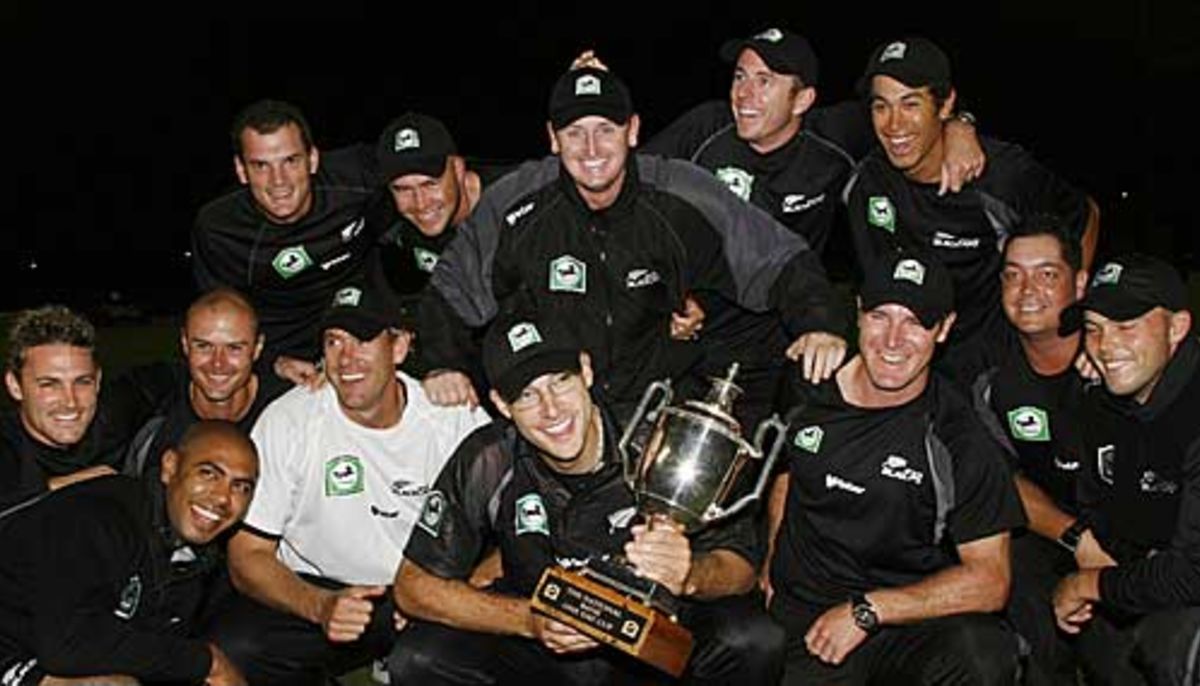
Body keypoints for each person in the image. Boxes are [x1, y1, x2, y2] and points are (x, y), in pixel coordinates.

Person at [421, 65, 849, 422]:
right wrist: (443, 366)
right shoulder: (516, 202)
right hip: (559, 409)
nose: (591, 148)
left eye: (606, 129)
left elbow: (779, 260)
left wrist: (820, 324)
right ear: (553, 138)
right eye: (574, 132)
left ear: (633, 130)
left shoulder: (681, 193)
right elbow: (450, 291)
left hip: (657, 404)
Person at [389, 307, 784, 684]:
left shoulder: (655, 440)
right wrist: (527, 620)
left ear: (586, 371)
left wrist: (691, 575)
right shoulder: (488, 458)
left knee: (752, 640)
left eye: (560, 380)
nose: (551, 409)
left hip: (653, 640)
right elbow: (412, 586)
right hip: (544, 640)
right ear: (501, 405)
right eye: (526, 395)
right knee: (420, 657)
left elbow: (741, 567)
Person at [642, 28, 986, 427]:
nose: (744, 94)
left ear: (803, 100)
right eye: (740, 77)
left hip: (782, 338)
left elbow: (917, 106)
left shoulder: (835, 139)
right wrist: (668, 292)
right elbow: (623, 189)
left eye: (764, 81)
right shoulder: (705, 129)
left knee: (768, 444)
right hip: (691, 330)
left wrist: (960, 127)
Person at [207, 279, 488, 685]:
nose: (346, 358)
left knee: (424, 660)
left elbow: (515, 522)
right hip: (327, 590)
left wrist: (450, 593)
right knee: (237, 645)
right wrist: (320, 606)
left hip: (431, 587)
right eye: (334, 342)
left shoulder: (452, 417)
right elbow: (247, 555)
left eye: (363, 340)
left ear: (399, 347)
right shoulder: (290, 420)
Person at [767, 252, 1025, 684]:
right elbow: (787, 473)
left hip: (902, 622)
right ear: (858, 313)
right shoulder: (809, 383)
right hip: (803, 621)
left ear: (944, 329)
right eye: (880, 316)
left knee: (984, 652)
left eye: (915, 322)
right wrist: (770, 565)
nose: (893, 339)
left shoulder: (959, 437)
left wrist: (871, 610)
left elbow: (990, 579)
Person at [846, 36, 1099, 384]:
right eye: (881, 107)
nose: (894, 125)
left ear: (945, 105)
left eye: (911, 104)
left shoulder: (1002, 176)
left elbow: (1085, 214)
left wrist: (1074, 316)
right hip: (911, 358)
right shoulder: (867, 181)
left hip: (993, 362)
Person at [0, 420, 258, 686]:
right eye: (208, 474)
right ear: (170, 467)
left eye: (241, 487)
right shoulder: (99, 517)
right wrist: (205, 662)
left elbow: (147, 649)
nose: (222, 498)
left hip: (42, 650)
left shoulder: (197, 558)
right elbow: (67, 643)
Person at [1051, 254, 1200, 686]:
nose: (1105, 345)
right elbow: (1094, 505)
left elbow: (1193, 573)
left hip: (1182, 600)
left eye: (1126, 325)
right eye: (1093, 328)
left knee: (1175, 642)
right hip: (1144, 577)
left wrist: (1088, 584)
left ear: (1176, 328)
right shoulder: (1100, 401)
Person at [969, 215, 1099, 684]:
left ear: (1079, 283)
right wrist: (1078, 539)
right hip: (1053, 530)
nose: (1027, 290)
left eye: (1047, 274)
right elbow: (999, 480)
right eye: (1013, 275)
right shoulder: (987, 373)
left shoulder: (1117, 352)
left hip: (1135, 529)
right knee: (1014, 567)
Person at [191, 99, 379, 373]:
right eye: (261, 166)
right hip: (282, 353)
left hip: (360, 329)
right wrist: (273, 364)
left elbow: (431, 167)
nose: (278, 181)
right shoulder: (220, 229)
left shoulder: (357, 177)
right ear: (241, 170)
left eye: (290, 161)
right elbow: (220, 320)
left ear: (312, 159)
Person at [366, 112, 508, 404]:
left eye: (430, 184)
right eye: (403, 189)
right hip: (464, 365)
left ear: (457, 167)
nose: (420, 203)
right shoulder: (391, 227)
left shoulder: (512, 198)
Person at [2, 305, 173, 509]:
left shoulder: (114, 414)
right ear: (15, 386)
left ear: (98, 380)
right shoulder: (8, 447)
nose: (70, 402)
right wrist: (75, 484)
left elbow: (175, 375)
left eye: (82, 382)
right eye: (49, 384)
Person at [124, 287, 289, 480]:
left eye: (234, 348)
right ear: (185, 344)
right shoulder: (154, 407)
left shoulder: (289, 410)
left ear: (257, 347)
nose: (218, 363)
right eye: (204, 346)